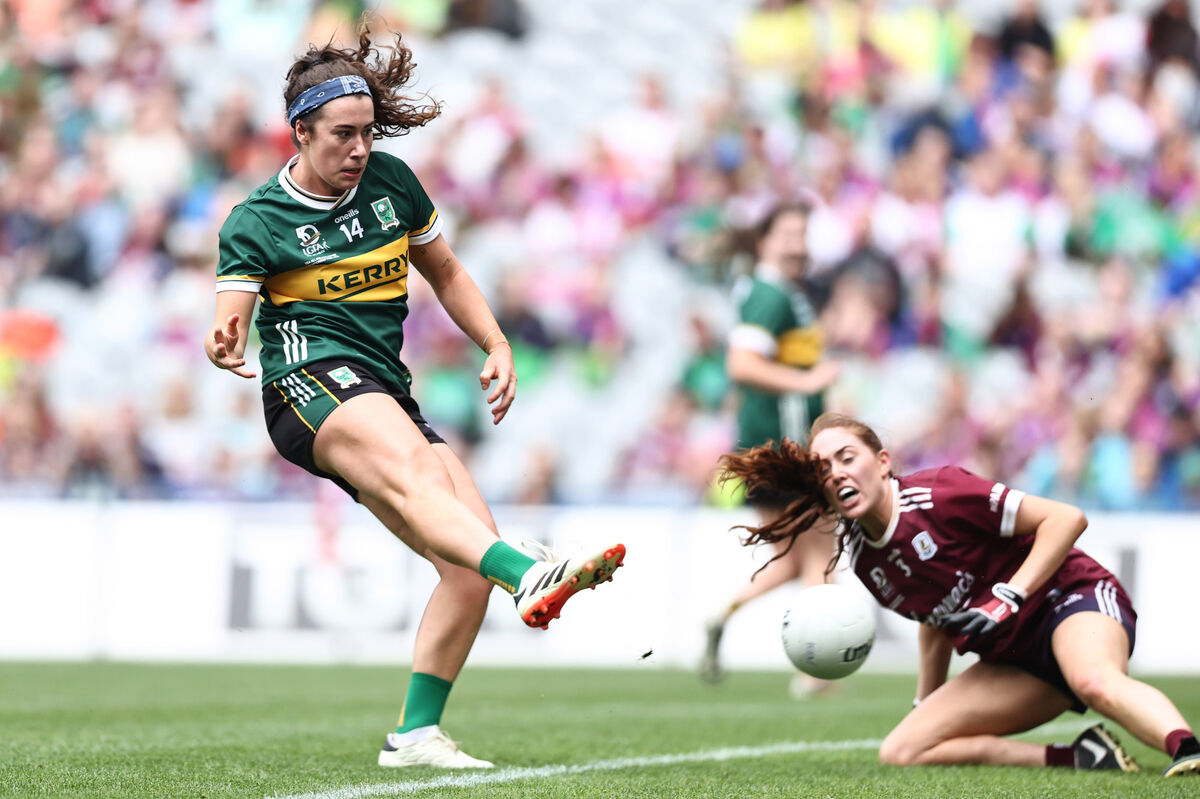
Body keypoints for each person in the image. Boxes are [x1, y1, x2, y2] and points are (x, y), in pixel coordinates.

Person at [205, 23, 625, 769]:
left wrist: (495, 341)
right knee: (433, 487)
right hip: (307, 384)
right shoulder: (258, 220)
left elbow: (449, 271)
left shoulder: (393, 183)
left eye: (367, 133)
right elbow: (229, 320)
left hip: (383, 390)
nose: (360, 149)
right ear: (300, 132)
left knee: (466, 564)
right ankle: (532, 570)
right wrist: (224, 341)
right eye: (343, 135)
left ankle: (416, 733)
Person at [718, 412, 1200, 777]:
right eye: (824, 469)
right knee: (902, 751)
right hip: (1016, 661)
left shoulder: (942, 493)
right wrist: (925, 702)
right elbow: (935, 621)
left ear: (882, 463)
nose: (838, 473)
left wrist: (1008, 596)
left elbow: (1066, 518)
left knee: (1095, 680)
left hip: (1069, 599)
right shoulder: (866, 561)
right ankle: (1080, 756)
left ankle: (1187, 749)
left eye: (848, 458)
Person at [700, 201, 840, 695]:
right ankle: (815, 668)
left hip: (776, 448)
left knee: (797, 557)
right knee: (822, 551)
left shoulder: (778, 293)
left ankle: (722, 613)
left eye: (804, 233)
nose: (799, 243)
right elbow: (741, 365)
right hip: (784, 450)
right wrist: (809, 383)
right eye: (788, 233)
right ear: (764, 242)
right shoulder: (769, 296)